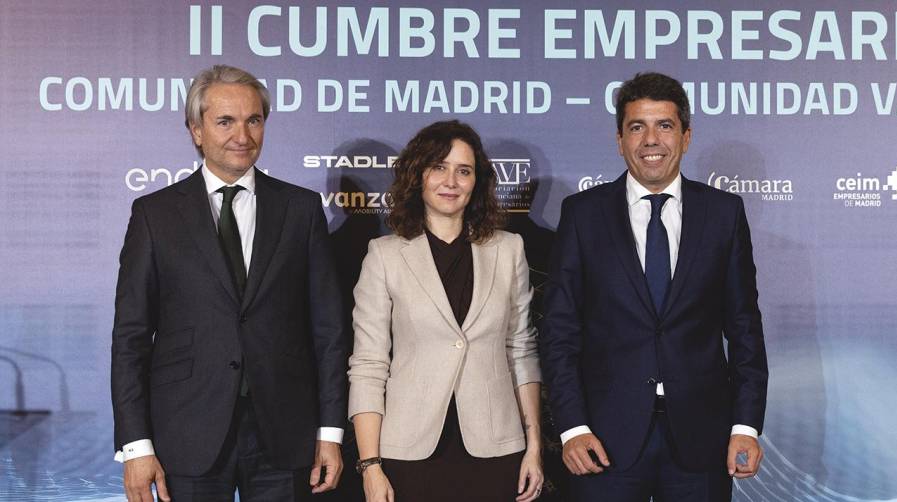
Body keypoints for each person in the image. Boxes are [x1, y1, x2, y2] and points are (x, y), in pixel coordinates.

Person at [110, 64, 349, 501]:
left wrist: (331, 431)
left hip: (284, 433)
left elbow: (329, 332)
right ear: (196, 131)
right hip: (185, 435)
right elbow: (131, 338)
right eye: (225, 121)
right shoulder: (154, 216)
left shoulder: (301, 209)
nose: (243, 134)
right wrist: (136, 446)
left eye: (253, 120)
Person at [540, 72, 769, 501]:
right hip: (601, 441)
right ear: (619, 139)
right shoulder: (582, 215)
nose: (651, 140)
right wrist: (572, 427)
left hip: (702, 441)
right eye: (636, 127)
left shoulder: (723, 214)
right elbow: (559, 331)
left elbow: (744, 329)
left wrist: (745, 425)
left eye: (664, 125)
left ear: (685, 136)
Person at [348, 120, 544, 502]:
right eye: (438, 167)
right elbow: (369, 364)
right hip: (409, 451)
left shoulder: (509, 249)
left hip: (496, 449)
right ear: (418, 175)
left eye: (463, 170)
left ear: (477, 181)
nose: (450, 181)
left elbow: (521, 351)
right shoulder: (384, 256)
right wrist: (370, 466)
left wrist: (533, 447)